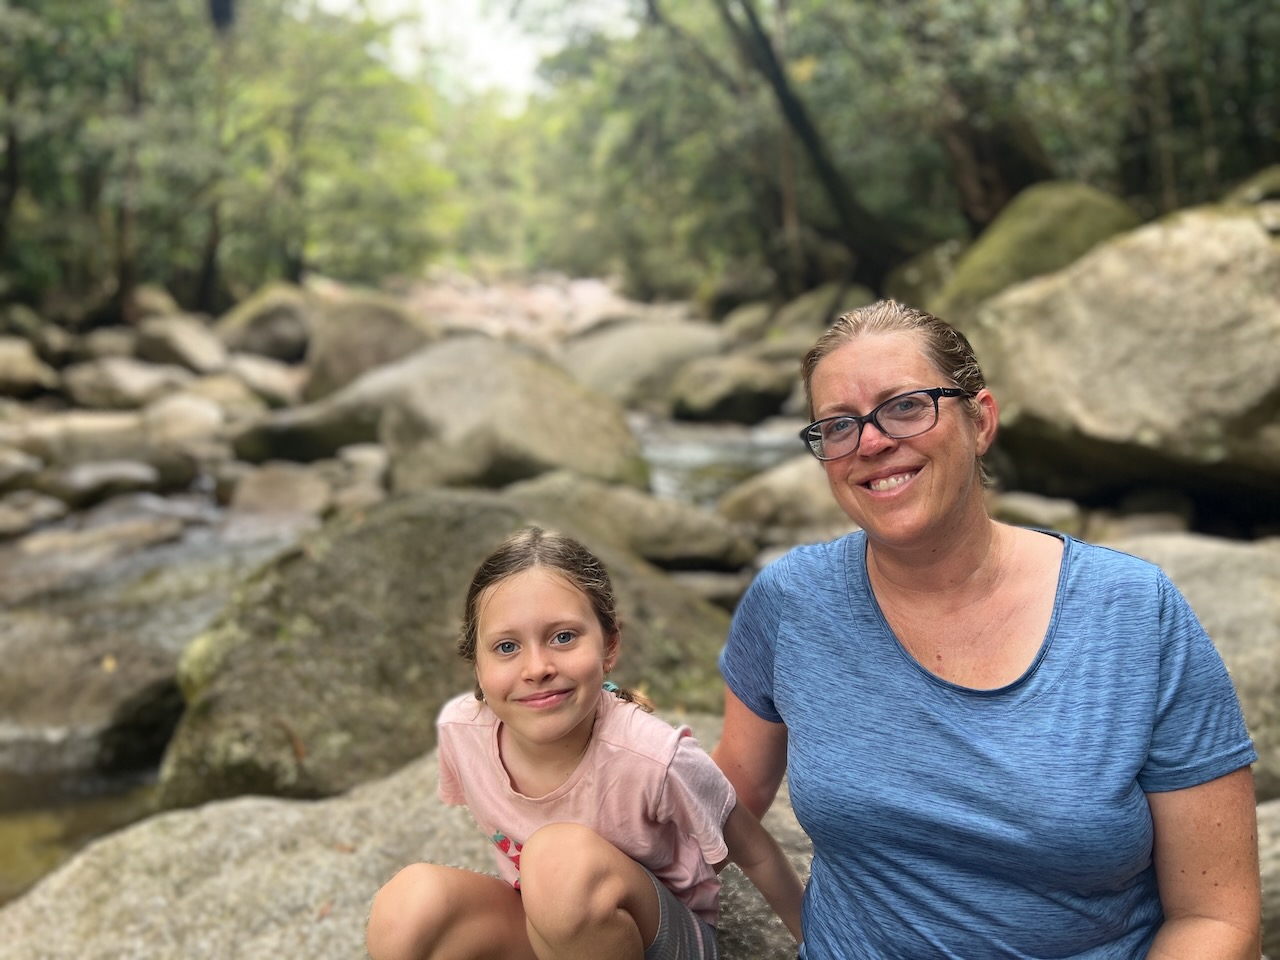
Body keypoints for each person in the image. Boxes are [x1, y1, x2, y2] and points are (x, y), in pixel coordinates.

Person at [711, 299, 1262, 958]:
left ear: (981, 421)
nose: (872, 441)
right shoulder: (789, 602)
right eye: (838, 425)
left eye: (907, 405)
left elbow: (1216, 918)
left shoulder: (1136, 614)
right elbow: (722, 798)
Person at [366, 525, 805, 960]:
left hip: (653, 938)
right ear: (475, 662)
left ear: (609, 646)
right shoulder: (461, 732)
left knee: (557, 863)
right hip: (549, 926)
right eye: (505, 647)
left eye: (563, 637)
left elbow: (756, 850)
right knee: (407, 905)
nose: (536, 667)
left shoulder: (652, 756)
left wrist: (816, 944)